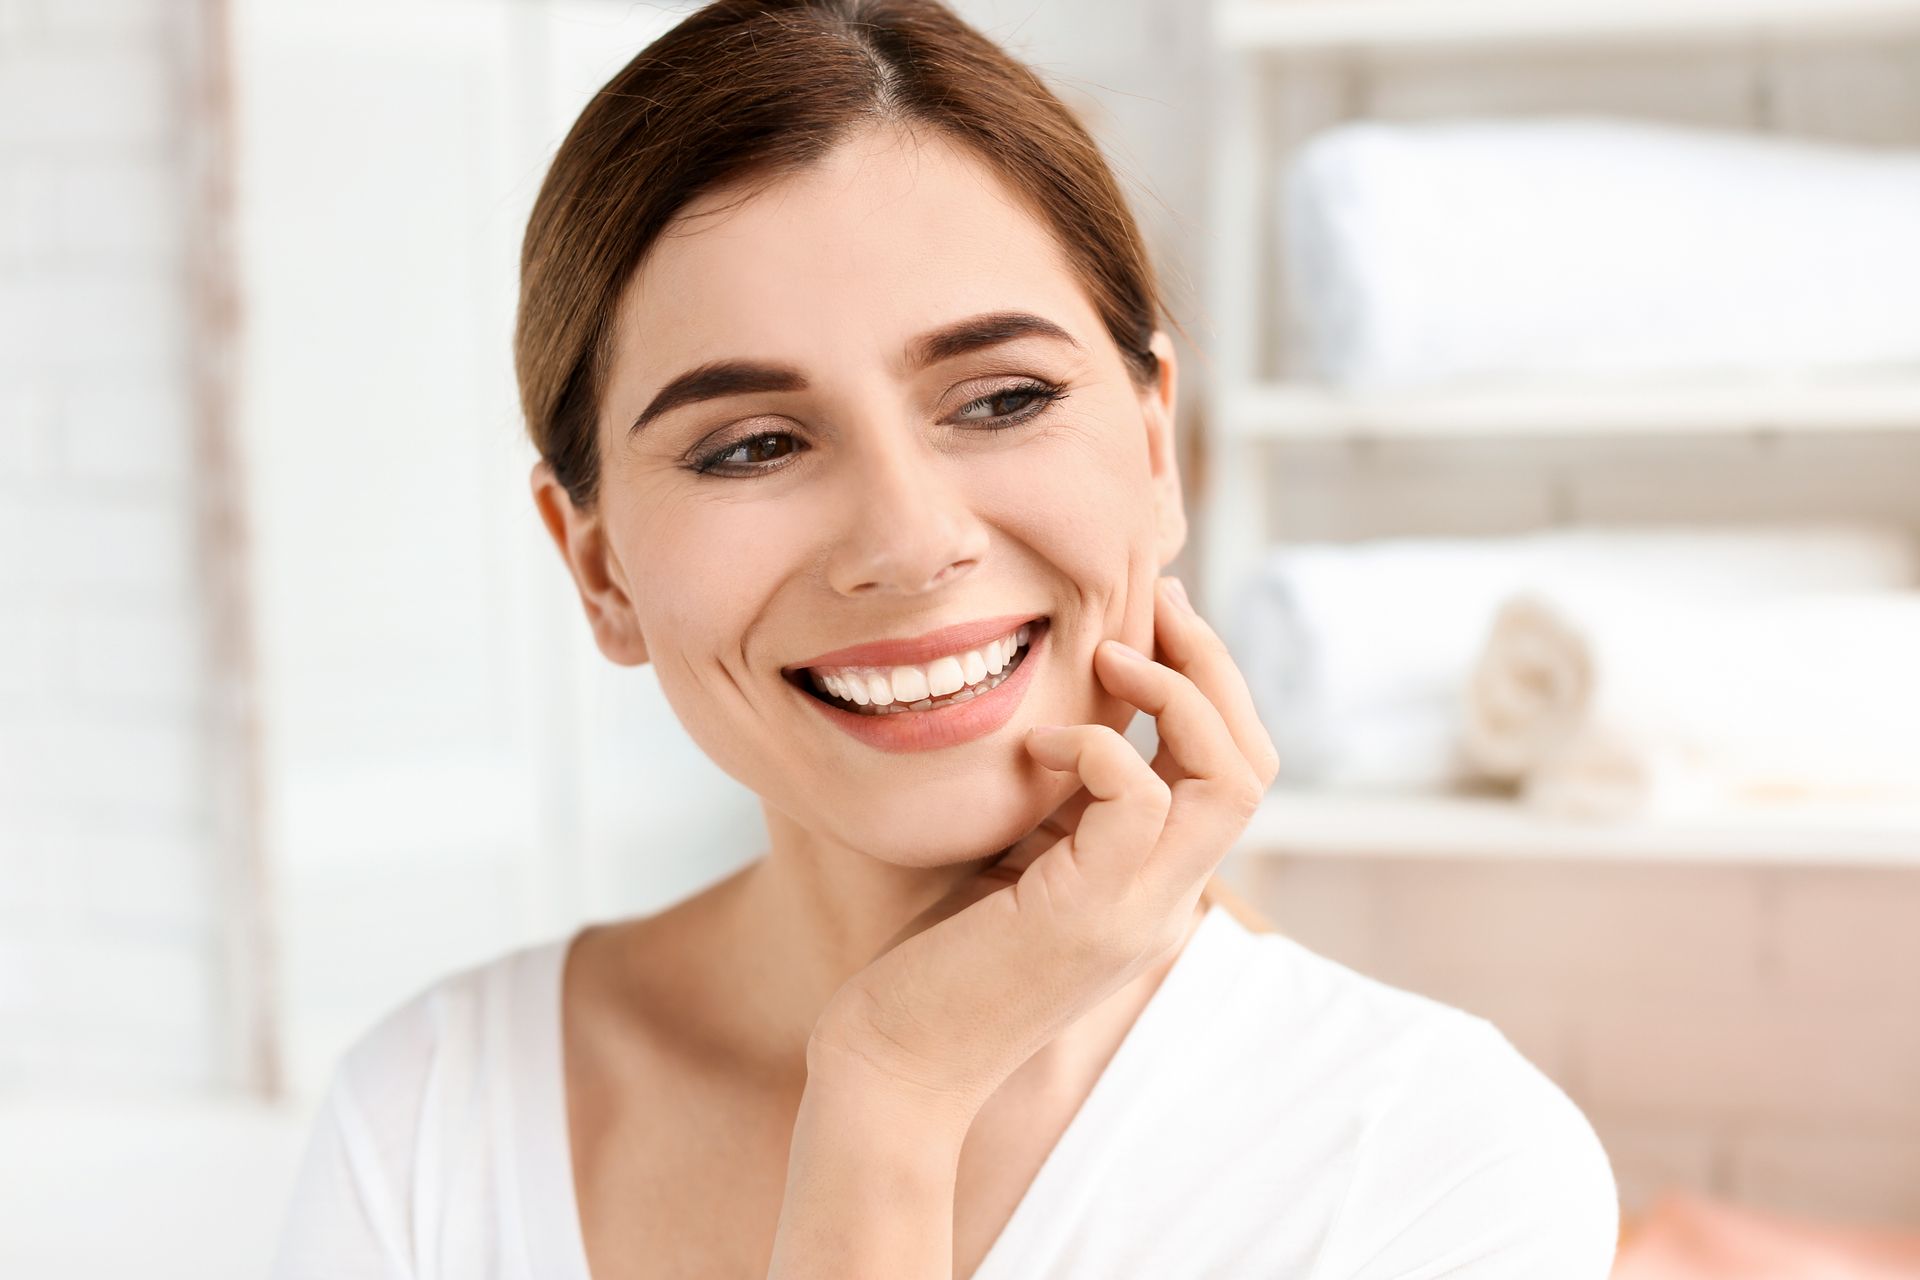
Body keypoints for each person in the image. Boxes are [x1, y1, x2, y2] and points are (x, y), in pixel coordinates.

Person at [269, 1, 1620, 1276]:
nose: (909, 543)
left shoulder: (1433, 1160)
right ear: (599, 567)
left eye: (1001, 399)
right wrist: (890, 1106)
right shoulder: (429, 1121)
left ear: (1155, 449)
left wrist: (890, 1091)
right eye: (752, 445)